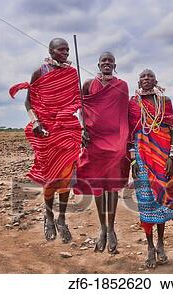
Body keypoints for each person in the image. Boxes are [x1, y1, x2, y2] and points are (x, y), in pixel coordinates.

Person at [9, 38, 81, 243]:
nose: (66, 52)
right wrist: (35, 123)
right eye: (61, 49)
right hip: (46, 130)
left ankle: (62, 219)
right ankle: (48, 217)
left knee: (66, 176)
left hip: (66, 128)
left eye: (67, 49)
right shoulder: (39, 72)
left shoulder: (72, 73)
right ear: (51, 51)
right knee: (50, 177)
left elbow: (77, 100)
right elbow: (28, 102)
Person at [73, 52, 130, 254]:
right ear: (98, 64)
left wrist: (125, 140)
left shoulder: (122, 85)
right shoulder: (89, 84)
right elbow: (80, 108)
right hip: (94, 140)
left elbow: (125, 114)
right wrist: (82, 130)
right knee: (97, 185)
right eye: (103, 61)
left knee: (112, 186)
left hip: (115, 141)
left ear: (115, 64)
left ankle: (112, 228)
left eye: (110, 61)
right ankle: (103, 229)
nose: (107, 63)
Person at [129, 69, 173, 268]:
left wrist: (172, 155)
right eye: (143, 77)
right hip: (142, 157)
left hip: (164, 157)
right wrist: (133, 161)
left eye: (150, 76)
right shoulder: (132, 103)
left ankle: (161, 242)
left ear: (155, 80)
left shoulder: (164, 101)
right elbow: (129, 133)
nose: (146, 79)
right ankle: (150, 246)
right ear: (139, 81)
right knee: (146, 202)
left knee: (162, 199)